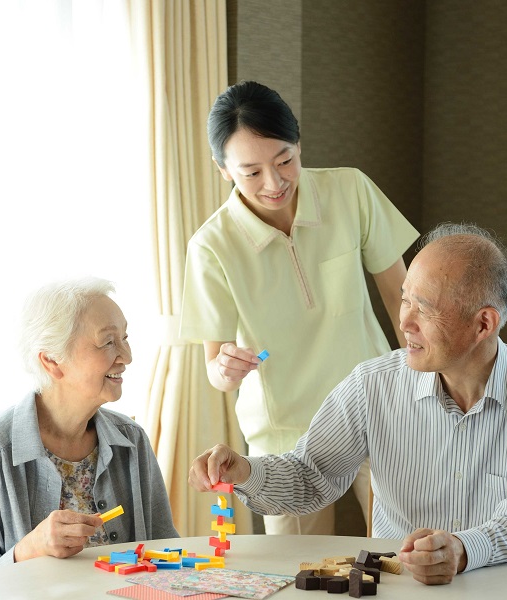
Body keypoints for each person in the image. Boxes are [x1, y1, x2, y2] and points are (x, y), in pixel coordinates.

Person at [188, 223, 507, 585]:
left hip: (504, 592)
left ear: (483, 324)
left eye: (425, 308)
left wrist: (462, 550)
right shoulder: (372, 385)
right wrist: (244, 470)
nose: (405, 321)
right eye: (405, 300)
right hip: (397, 591)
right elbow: (311, 475)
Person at [179, 80, 420, 535]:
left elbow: (402, 298)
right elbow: (215, 367)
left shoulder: (350, 190)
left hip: (374, 408)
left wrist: (420, 383)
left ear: (298, 143)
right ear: (222, 169)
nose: (274, 183)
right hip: (283, 436)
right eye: (251, 172)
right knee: (297, 573)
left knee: (406, 549)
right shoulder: (211, 246)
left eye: (285, 160)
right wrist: (226, 369)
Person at [0, 277, 178, 587]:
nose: (127, 355)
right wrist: (29, 549)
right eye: (108, 341)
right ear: (53, 361)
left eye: (124, 338)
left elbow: (167, 555)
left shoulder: (131, 439)